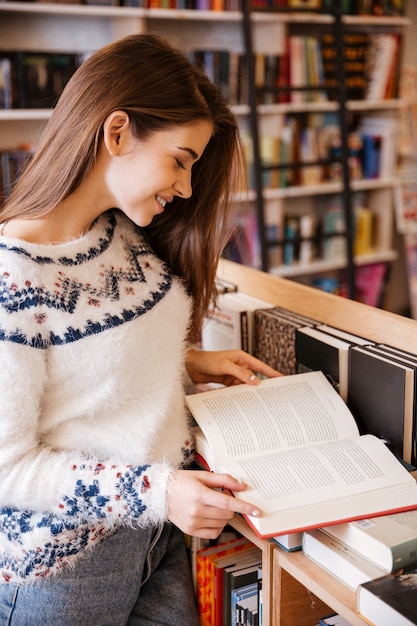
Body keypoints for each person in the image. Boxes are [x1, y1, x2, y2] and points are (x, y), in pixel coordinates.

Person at [0, 33, 279, 625]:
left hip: (155, 537)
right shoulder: (13, 278)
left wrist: (182, 364)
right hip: (67, 568)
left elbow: (88, 371)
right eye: (181, 160)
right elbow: (9, 469)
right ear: (118, 131)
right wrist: (160, 493)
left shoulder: (122, 236)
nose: (184, 187)